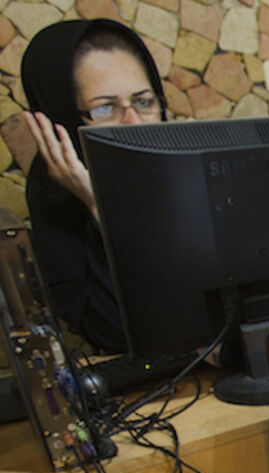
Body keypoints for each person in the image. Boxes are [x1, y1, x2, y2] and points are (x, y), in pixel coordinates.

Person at [20, 19, 167, 353]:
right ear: (62, 118)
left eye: (143, 101)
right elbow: (114, 333)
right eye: (104, 108)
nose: (133, 123)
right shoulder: (55, 196)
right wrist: (99, 205)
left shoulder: (182, 166)